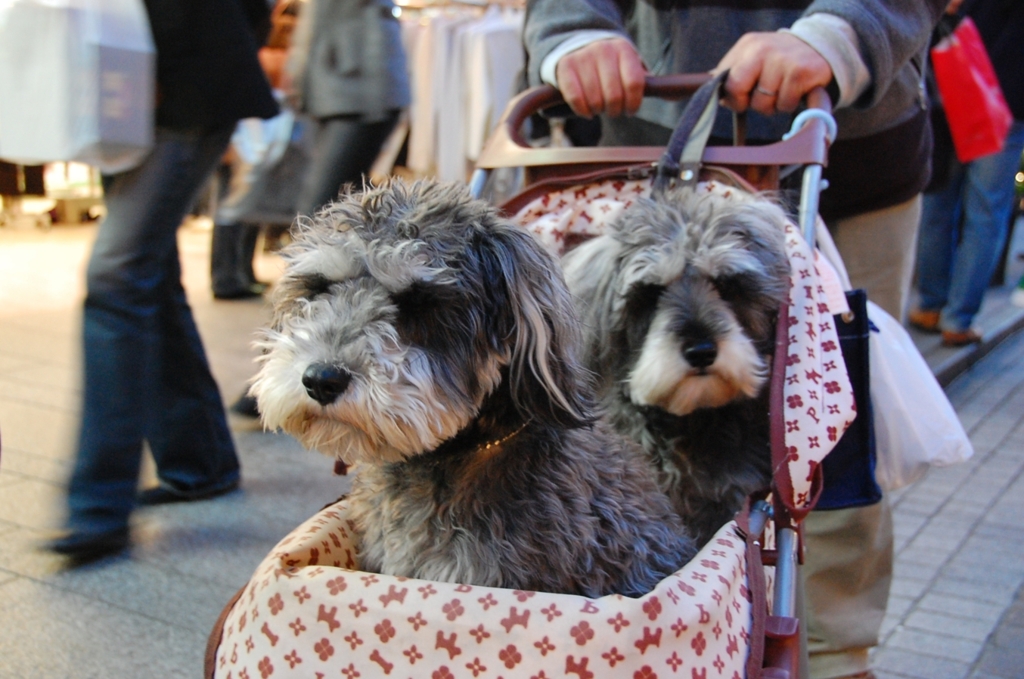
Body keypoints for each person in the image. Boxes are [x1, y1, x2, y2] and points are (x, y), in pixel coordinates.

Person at [523, 3, 944, 678]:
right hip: (643, 142)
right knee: (609, 445)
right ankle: (641, 637)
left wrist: (841, 33)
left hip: (848, 145)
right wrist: (571, 30)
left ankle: (837, 656)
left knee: (832, 447)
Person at [47, 0, 279, 560]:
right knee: (147, 274)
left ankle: (98, 508)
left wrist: (166, 61)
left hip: (184, 81)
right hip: (129, 82)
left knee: (117, 275)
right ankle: (199, 462)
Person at [229, 0, 410, 417]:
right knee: (316, 235)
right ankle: (288, 365)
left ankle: (282, 368)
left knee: (311, 233)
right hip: (329, 90)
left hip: (363, 89)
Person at [909, 0, 1024, 346]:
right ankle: (957, 319)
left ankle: (930, 305)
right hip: (1005, 100)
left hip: (955, 84)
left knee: (939, 202)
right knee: (985, 214)